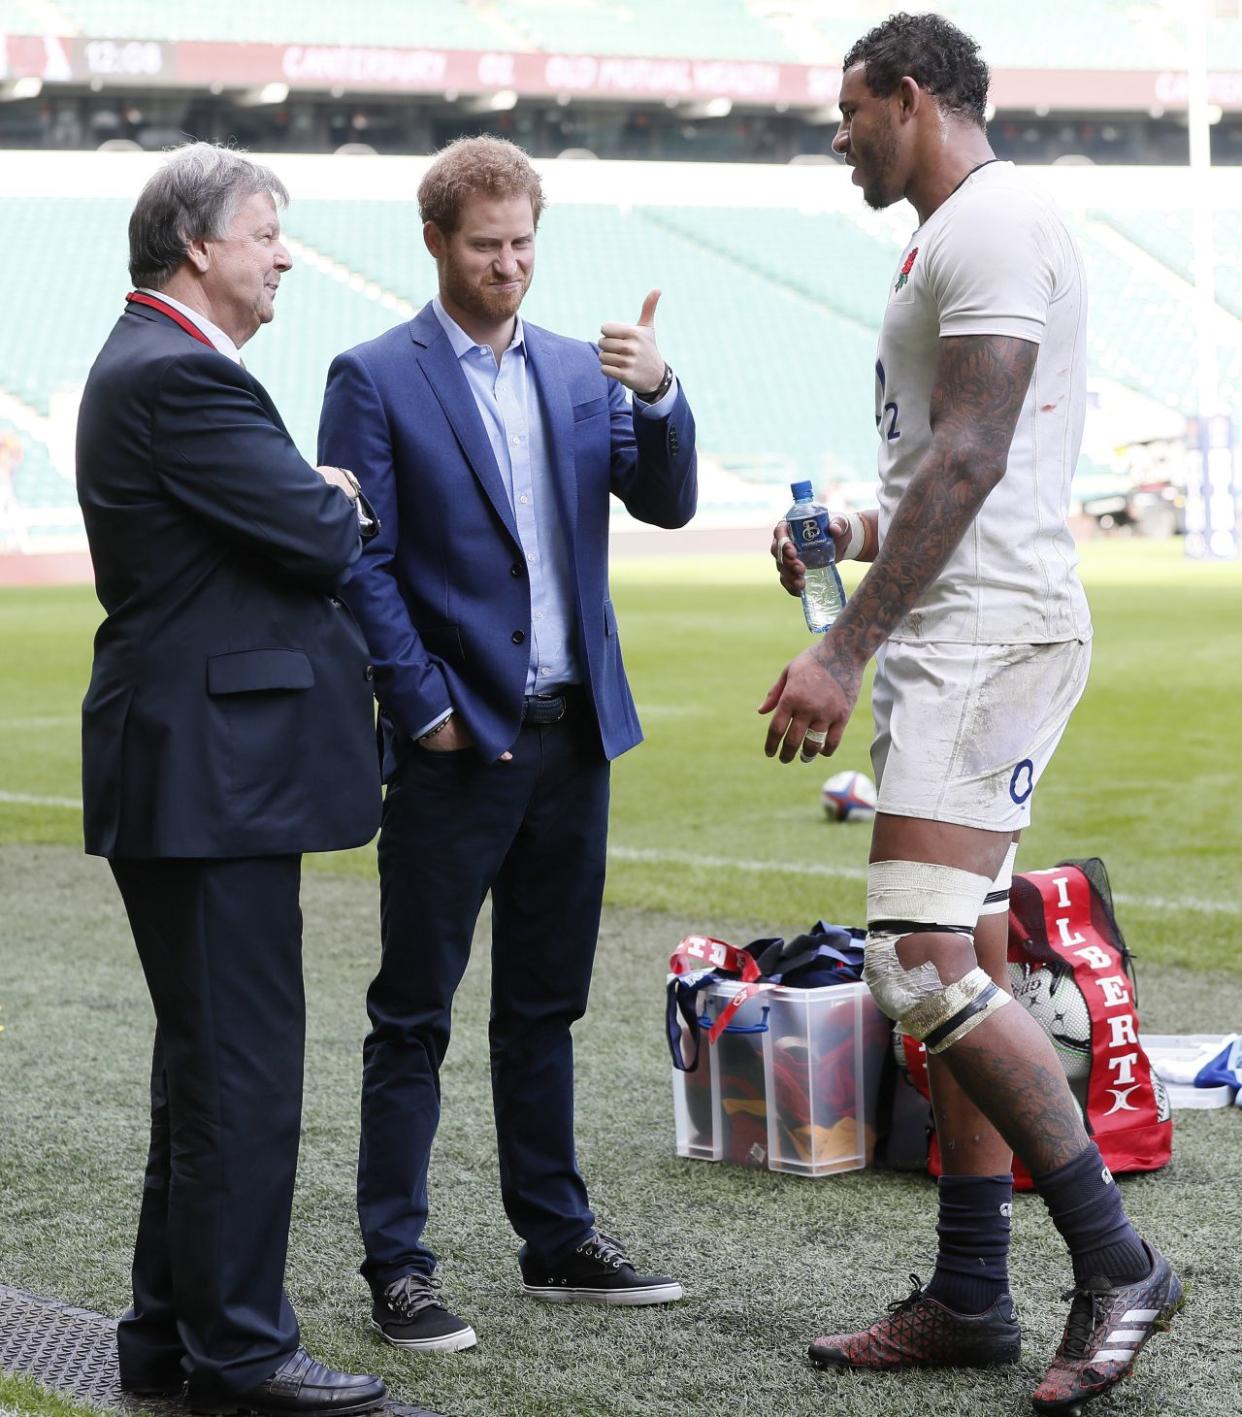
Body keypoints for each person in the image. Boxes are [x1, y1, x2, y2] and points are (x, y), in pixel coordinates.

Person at [762, 16, 1180, 1415]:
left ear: (910, 95)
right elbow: (955, 456)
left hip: (978, 638)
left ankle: (1114, 1262)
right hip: (963, 624)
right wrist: (858, 528)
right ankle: (970, 1290)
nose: (837, 135)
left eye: (849, 108)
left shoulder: (988, 223)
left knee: (920, 967)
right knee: (969, 948)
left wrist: (843, 644)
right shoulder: (958, 230)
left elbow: (981, 448)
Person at [318, 135, 696, 1354]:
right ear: (437, 241)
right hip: (452, 745)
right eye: (486, 246)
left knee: (545, 1006)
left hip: (572, 738)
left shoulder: (585, 377)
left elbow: (668, 500)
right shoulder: (374, 375)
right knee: (413, 1013)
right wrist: (419, 701)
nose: (509, 266)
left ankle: (556, 1238)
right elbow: (358, 560)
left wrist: (660, 391)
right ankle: (399, 1263)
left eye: (525, 243)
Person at [76, 142, 389, 1414]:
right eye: (267, 232)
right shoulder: (183, 378)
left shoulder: (159, 367)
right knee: (241, 1074)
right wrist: (332, 498)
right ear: (198, 244)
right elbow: (318, 535)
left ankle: (171, 1336)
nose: (285, 255)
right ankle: (242, 1355)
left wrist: (315, 496)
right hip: (211, 780)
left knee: (206, 1068)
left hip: (203, 775)